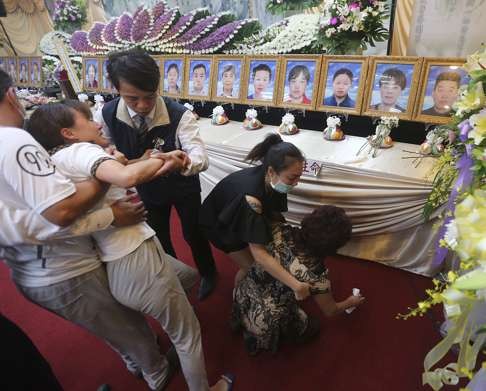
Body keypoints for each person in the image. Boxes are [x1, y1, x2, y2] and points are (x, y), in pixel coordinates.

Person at [27, 100, 234, 391]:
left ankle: (169, 319)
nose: (97, 123)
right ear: (68, 133)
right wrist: (169, 162)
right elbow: (127, 177)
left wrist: (151, 159)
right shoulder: (84, 151)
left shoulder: (58, 162)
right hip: (138, 261)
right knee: (188, 335)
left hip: (117, 267)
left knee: (188, 277)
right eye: (87, 120)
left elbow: (119, 171)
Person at [0, 69, 145, 391]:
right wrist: (106, 195)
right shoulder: (11, 138)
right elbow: (59, 212)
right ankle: (158, 370)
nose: (97, 125)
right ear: (12, 95)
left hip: (36, 270)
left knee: (110, 326)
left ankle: (136, 360)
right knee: (127, 326)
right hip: (63, 269)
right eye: (89, 120)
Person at [97, 49, 218, 300]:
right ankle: (177, 276)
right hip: (147, 190)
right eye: (132, 99)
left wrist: (181, 162)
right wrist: (121, 158)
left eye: (149, 97)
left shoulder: (179, 114)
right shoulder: (106, 114)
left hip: (184, 187)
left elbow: (201, 157)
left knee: (194, 232)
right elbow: (104, 150)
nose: (142, 106)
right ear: (116, 88)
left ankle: (209, 273)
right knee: (160, 235)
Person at [231, 205, 365, 355]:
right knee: (312, 326)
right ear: (333, 246)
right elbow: (330, 311)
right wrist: (351, 301)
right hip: (265, 320)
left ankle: (239, 321)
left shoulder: (278, 230)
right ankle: (264, 337)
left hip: (243, 292)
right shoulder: (317, 277)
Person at [200, 133, 311, 301]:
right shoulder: (251, 199)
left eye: (299, 176)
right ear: (271, 171)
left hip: (240, 212)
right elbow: (258, 254)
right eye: (293, 177)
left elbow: (275, 216)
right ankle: (238, 302)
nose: (296, 182)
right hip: (220, 225)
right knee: (251, 267)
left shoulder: (276, 181)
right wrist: (296, 285)